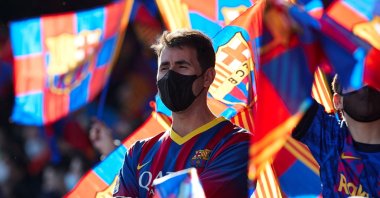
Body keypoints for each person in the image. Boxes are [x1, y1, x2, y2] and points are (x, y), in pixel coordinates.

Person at [112, 29, 251, 197]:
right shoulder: (138, 153)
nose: (170, 75)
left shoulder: (236, 144)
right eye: (164, 67)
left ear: (208, 77)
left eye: (182, 66)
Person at [292, 74, 380, 197]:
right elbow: (286, 84)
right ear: (338, 101)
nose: (365, 86)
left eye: (373, 80)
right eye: (356, 81)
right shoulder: (330, 136)